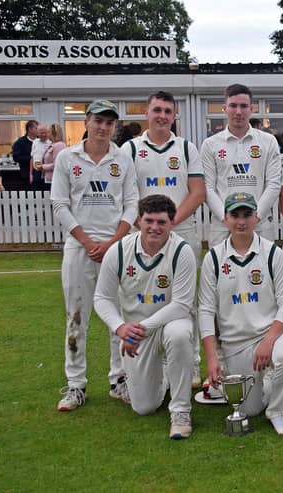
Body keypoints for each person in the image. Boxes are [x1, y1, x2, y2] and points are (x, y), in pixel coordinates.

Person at [51, 99, 139, 412]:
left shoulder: (124, 158)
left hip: (116, 248)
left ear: (115, 127)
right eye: (98, 121)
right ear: (87, 122)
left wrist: (114, 242)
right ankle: (76, 385)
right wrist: (88, 242)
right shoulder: (67, 157)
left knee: (119, 317)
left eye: (109, 122)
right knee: (77, 318)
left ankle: (120, 380)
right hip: (79, 248)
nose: (103, 127)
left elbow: (131, 204)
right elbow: (60, 204)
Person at [94, 194, 197, 439]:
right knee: (144, 407)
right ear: (138, 221)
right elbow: (102, 298)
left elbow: (181, 305)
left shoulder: (182, 251)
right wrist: (121, 328)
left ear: (172, 223)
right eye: (149, 221)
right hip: (136, 334)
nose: (154, 228)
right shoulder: (119, 251)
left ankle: (181, 411)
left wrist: (139, 329)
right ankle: (162, 375)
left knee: (180, 333)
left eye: (161, 222)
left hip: (165, 325)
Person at [199, 192, 283, 435]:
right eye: (235, 215)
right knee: (250, 408)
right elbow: (205, 309)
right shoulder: (213, 258)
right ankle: (265, 386)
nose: (241, 221)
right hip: (236, 342)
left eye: (247, 215)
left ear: (257, 217)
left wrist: (269, 340)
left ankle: (276, 410)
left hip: (270, 335)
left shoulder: (272, 253)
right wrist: (212, 359)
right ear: (225, 218)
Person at [122, 90, 205, 387]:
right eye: (157, 110)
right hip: (143, 237)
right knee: (138, 301)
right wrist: (147, 225)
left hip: (180, 233)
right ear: (146, 113)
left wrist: (170, 222)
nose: (162, 116)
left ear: (173, 116)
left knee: (186, 302)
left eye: (168, 111)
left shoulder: (185, 148)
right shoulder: (130, 149)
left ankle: (191, 364)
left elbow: (197, 192)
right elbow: (127, 195)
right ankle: (132, 367)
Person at [200, 84, 281, 246]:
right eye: (233, 106)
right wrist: (227, 218)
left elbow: (273, 184)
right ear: (224, 108)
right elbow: (207, 187)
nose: (238, 111)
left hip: (259, 226)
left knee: (262, 270)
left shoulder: (268, 141)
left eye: (244, 106)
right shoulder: (210, 144)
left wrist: (254, 216)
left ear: (251, 109)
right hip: (223, 227)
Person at [37, 124, 66, 188]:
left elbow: (57, 164)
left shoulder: (59, 145)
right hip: (49, 178)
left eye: (48, 132)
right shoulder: (52, 144)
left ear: (54, 133)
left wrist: (43, 167)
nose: (46, 134)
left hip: (55, 180)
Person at [12, 120, 38, 189]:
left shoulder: (40, 141)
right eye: (36, 128)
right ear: (30, 129)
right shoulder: (20, 142)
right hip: (26, 174)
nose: (38, 130)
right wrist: (31, 158)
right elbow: (16, 157)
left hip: (40, 174)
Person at [30, 125, 52, 191]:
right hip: (36, 171)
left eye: (46, 132)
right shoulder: (35, 142)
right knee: (35, 192)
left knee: (46, 191)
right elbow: (32, 158)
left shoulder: (50, 143)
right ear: (37, 133)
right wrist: (30, 174)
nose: (44, 134)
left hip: (46, 172)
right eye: (42, 133)